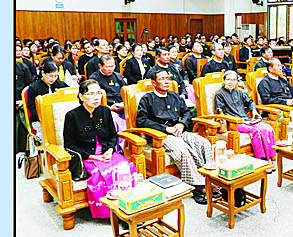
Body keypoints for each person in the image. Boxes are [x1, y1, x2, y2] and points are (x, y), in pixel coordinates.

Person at [62, 77, 140, 220]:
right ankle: (112, 212)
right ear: (81, 96)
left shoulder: (105, 111)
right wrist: (92, 156)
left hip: (107, 153)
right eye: (91, 94)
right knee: (101, 174)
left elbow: (112, 135)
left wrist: (110, 150)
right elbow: (70, 145)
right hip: (87, 157)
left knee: (127, 167)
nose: (96, 97)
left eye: (98, 93)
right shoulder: (72, 116)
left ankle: (129, 207)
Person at [136, 69, 215, 203]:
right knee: (183, 149)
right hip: (162, 135)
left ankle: (211, 178)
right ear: (154, 83)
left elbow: (187, 113)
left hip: (179, 131)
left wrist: (181, 123)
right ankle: (196, 185)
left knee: (204, 142)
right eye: (162, 79)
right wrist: (166, 128)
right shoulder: (147, 98)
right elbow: (141, 120)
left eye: (168, 78)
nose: (167, 82)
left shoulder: (174, 95)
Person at [213, 68, 277, 162]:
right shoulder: (220, 95)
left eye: (234, 80)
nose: (231, 82)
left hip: (247, 120)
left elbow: (250, 102)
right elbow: (221, 112)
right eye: (228, 79)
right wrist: (237, 120)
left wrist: (253, 110)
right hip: (234, 123)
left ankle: (270, 156)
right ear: (224, 81)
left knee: (268, 128)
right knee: (256, 131)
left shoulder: (239, 92)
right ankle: (261, 158)